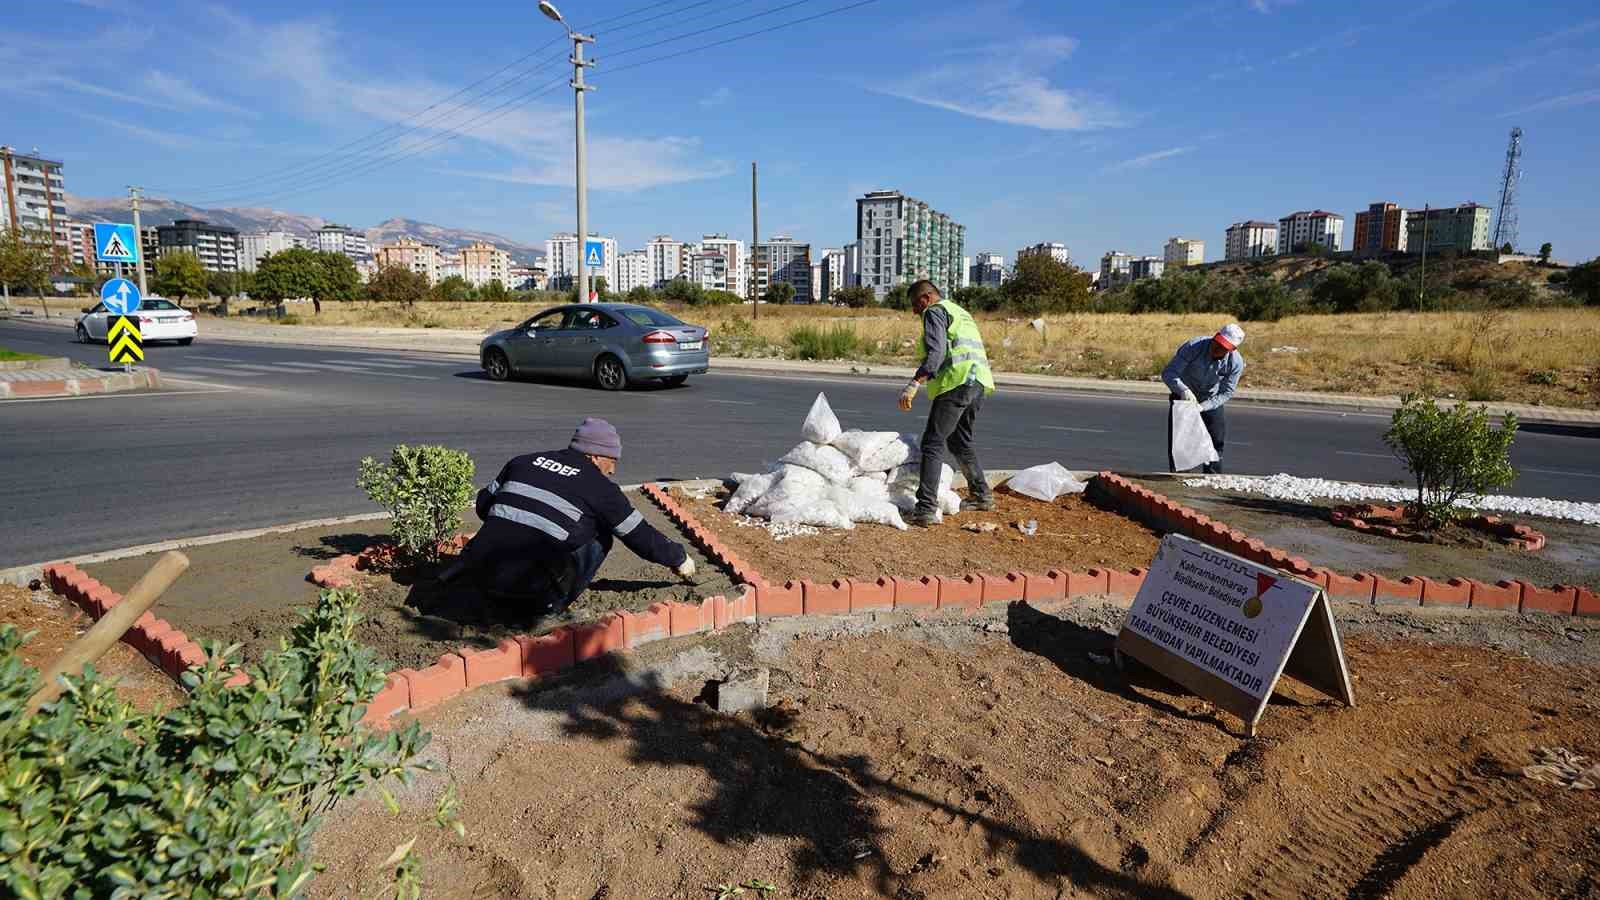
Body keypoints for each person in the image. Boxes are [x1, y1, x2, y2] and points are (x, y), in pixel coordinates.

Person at [449, 418, 694, 613]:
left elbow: (483, 506)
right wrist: (679, 558)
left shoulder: (522, 462)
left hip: (478, 579)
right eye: (613, 460)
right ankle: (552, 605)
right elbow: (639, 536)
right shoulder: (601, 488)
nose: (613, 470)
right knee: (602, 534)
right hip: (526, 596)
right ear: (596, 456)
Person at [896, 279, 996, 527]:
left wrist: (915, 382)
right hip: (979, 382)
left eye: (915, 305)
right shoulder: (959, 311)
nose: (914, 311)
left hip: (958, 381)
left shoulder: (934, 312)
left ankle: (926, 508)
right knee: (959, 440)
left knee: (933, 442)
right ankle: (982, 495)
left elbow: (936, 352)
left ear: (925, 299)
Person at [1161, 323, 1246, 474]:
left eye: (1224, 347)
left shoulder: (1236, 362)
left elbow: (1226, 392)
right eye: (1217, 342)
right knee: (1180, 442)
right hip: (1183, 396)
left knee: (1215, 441)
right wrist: (1184, 391)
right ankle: (1178, 479)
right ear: (1215, 337)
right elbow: (1169, 373)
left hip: (1210, 399)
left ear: (1232, 349)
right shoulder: (1194, 346)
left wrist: (1203, 406)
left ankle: (1211, 480)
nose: (1217, 348)